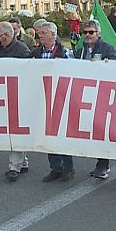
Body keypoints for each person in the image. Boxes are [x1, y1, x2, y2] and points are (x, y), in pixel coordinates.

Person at [32, 20, 76, 183]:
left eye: (43, 33)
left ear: (53, 34)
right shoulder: (36, 53)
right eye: (39, 33)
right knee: (47, 134)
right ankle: (55, 167)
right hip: (43, 98)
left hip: (60, 98)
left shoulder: (65, 52)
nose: (40, 36)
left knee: (61, 134)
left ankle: (68, 168)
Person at [75, 19, 116, 178]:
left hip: (102, 94)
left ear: (98, 33)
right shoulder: (80, 50)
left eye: (91, 32)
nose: (87, 35)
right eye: (84, 32)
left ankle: (103, 164)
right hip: (85, 94)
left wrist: (104, 65)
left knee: (100, 130)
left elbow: (114, 67)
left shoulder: (108, 48)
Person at [0, 21, 32, 182]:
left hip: (19, 94)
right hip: (5, 94)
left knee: (15, 131)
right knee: (12, 130)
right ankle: (23, 162)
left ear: (6, 35)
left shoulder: (21, 50)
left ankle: (14, 166)